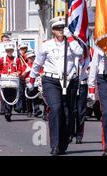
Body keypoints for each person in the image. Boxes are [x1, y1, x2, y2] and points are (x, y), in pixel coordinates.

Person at [27, 17, 84, 156]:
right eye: (57, 28)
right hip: (51, 81)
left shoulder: (72, 43)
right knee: (55, 108)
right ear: (53, 30)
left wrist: (70, 37)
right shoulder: (47, 45)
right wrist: (32, 79)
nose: (60, 30)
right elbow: (37, 64)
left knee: (67, 112)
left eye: (62, 27)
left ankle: (63, 144)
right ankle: (55, 145)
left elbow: (80, 52)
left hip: (70, 81)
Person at [0, 43, 23, 122]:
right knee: (5, 96)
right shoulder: (2, 59)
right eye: (8, 50)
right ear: (6, 51)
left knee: (12, 96)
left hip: (13, 80)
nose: (9, 52)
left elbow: (20, 69)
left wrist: (17, 73)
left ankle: (9, 111)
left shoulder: (16, 59)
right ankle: (7, 112)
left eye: (11, 50)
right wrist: (1, 74)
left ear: (13, 51)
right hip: (5, 80)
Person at [71, 52, 91, 145]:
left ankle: (79, 135)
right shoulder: (71, 56)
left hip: (82, 85)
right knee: (71, 110)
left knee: (81, 112)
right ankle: (70, 133)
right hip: (72, 85)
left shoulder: (87, 59)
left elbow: (90, 71)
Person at [0, 34, 12, 114]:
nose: (6, 42)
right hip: (2, 74)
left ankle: (9, 108)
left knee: (11, 91)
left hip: (12, 74)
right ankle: (3, 108)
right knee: (3, 91)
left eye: (7, 40)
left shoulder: (13, 50)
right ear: (1, 42)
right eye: (4, 41)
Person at [21, 50, 42, 118]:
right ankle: (29, 111)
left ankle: (36, 110)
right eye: (30, 58)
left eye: (33, 57)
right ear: (27, 58)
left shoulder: (37, 65)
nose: (32, 59)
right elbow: (22, 76)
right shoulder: (25, 65)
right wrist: (26, 71)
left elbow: (41, 73)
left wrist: (37, 73)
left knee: (36, 97)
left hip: (36, 82)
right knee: (28, 97)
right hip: (28, 82)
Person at [16, 43, 29, 113]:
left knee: (26, 92)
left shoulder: (27, 56)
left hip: (27, 75)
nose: (23, 50)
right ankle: (19, 107)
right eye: (22, 49)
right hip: (20, 76)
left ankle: (25, 108)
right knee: (20, 92)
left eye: (25, 48)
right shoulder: (18, 57)